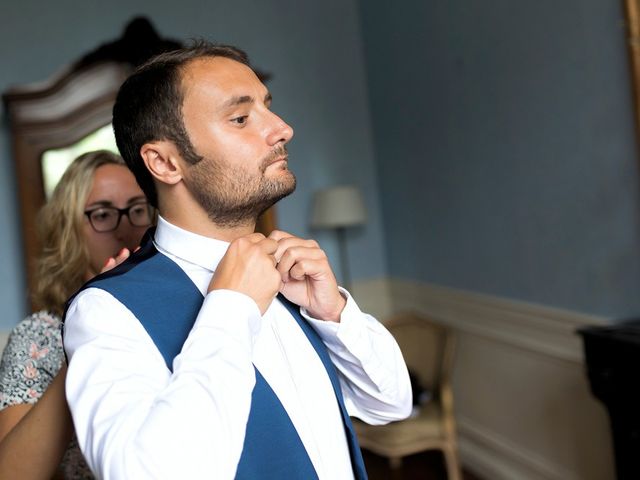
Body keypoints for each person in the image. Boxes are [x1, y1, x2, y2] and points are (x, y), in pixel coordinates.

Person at [63, 42, 412, 480]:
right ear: (166, 162)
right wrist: (231, 308)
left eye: (269, 109)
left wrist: (333, 314)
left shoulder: (292, 277)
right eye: (241, 118)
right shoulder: (107, 310)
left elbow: (391, 403)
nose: (283, 129)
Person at [0, 150, 153, 479]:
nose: (125, 229)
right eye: (102, 214)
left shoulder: (184, 311)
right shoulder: (40, 336)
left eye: (138, 210)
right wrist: (88, 340)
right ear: (69, 230)